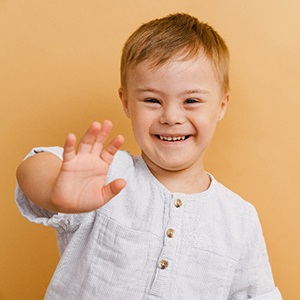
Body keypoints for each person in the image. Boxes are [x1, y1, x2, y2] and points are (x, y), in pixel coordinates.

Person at [16, 13, 282, 299]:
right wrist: (55, 191)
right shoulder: (105, 176)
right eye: (152, 100)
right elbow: (34, 165)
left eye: (191, 101)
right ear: (127, 102)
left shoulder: (239, 219)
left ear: (221, 105)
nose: (171, 117)